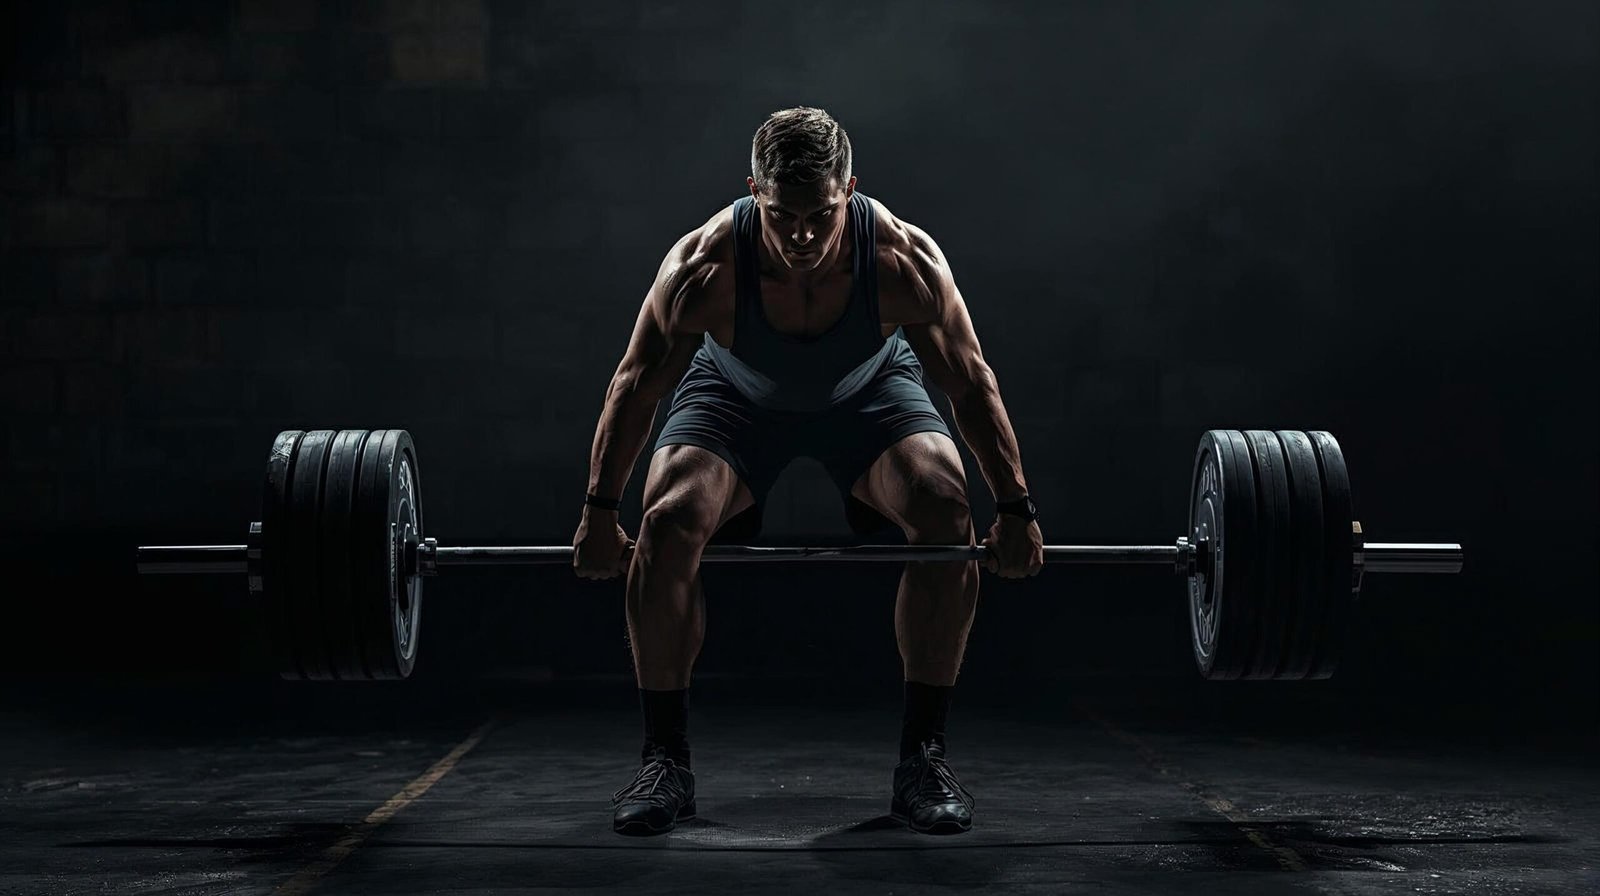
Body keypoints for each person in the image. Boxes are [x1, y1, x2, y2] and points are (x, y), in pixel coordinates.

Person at [571, 107, 1044, 836]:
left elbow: (970, 384)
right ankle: (664, 760)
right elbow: (635, 386)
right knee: (666, 523)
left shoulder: (900, 260)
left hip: (870, 394)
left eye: (820, 215)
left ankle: (923, 757)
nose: (801, 235)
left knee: (946, 510)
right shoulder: (705, 267)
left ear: (848, 190)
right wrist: (601, 512)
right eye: (781, 214)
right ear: (752, 190)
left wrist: (1015, 509)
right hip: (732, 397)